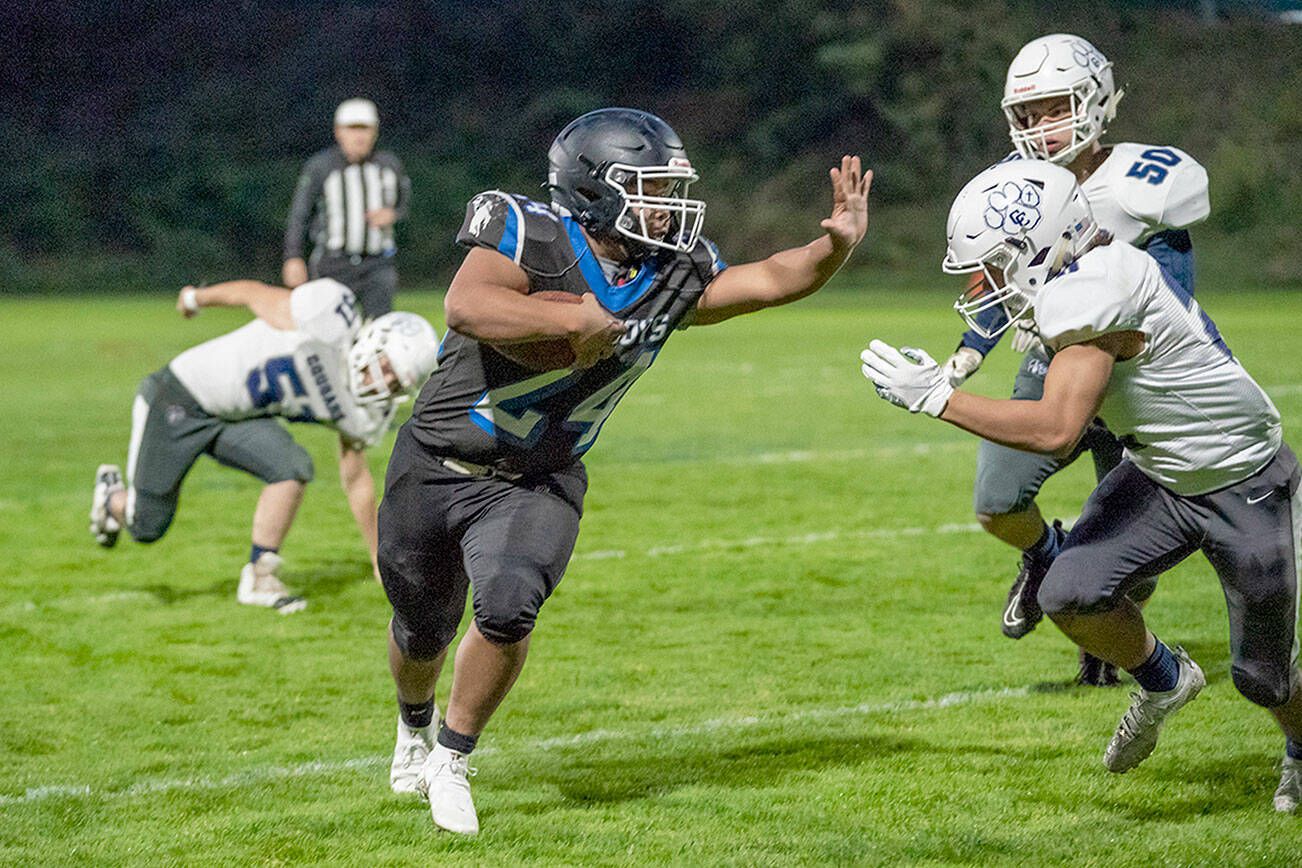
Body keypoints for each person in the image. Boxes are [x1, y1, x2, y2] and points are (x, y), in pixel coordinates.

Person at [377, 107, 871, 834]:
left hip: (538, 477)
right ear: (592, 188)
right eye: (647, 189)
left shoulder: (674, 274)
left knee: (509, 606)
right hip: (435, 461)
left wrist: (833, 249)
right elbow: (467, 305)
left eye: (668, 189)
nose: (666, 207)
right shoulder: (532, 229)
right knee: (421, 628)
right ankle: (412, 726)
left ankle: (452, 755)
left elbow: (769, 278)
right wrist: (569, 321)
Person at [861, 158, 1302, 813]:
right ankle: (1164, 680)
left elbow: (1055, 430)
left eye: (992, 265)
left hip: (1244, 482)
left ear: (1041, 242)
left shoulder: (1095, 289)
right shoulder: (1085, 271)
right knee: (1067, 590)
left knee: (1263, 680)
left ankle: (1299, 750)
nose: (983, 285)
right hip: (1160, 475)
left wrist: (937, 399)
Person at [936, 34, 1209, 686]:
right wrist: (972, 346)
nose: (1040, 127)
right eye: (1027, 115)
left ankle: (1106, 640)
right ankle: (1045, 554)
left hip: (1132, 378)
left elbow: (1171, 288)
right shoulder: (1020, 183)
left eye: (1054, 108)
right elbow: (999, 274)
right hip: (1051, 362)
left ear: (1093, 99)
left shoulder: (1147, 180)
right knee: (997, 500)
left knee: (1133, 551)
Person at [88, 278, 439, 611]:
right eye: (387, 368)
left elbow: (357, 479)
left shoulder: (364, 412)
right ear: (374, 339)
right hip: (180, 397)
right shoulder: (329, 319)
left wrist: (378, 556)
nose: (385, 383)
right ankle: (112, 501)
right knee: (146, 527)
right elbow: (253, 294)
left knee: (292, 468)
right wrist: (196, 298)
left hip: (237, 419)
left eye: (397, 383)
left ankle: (260, 576)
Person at [283, 98, 411, 320]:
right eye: (352, 128)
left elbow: (404, 203)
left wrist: (393, 214)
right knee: (330, 331)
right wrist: (293, 256)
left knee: (379, 329)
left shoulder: (389, 165)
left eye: (365, 129)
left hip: (378, 263)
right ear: (338, 132)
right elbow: (299, 214)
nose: (358, 136)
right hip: (333, 264)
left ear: (375, 132)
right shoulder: (321, 166)